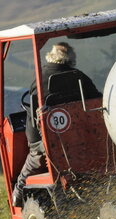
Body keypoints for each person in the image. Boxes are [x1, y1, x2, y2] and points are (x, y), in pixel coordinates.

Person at [12, 42, 100, 207]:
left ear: (51, 57)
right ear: (71, 59)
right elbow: (96, 100)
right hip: (80, 137)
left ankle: (17, 194)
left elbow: (35, 111)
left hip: (47, 138)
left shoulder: (40, 80)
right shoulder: (79, 77)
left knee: (34, 159)